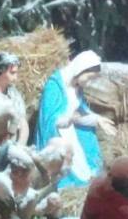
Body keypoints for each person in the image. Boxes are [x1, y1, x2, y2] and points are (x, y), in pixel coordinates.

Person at [36, 51, 107, 189]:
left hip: (72, 132)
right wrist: (69, 119)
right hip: (58, 135)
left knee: (87, 164)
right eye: (89, 77)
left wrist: (97, 120)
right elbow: (49, 121)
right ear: (81, 69)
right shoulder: (54, 85)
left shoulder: (77, 86)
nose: (89, 82)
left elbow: (81, 113)